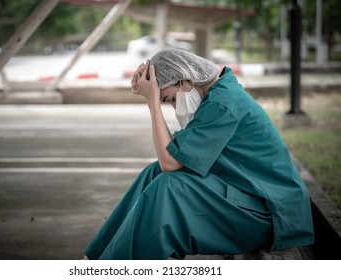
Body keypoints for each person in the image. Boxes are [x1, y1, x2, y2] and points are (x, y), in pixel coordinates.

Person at [84, 49, 314, 260]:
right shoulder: (216, 97)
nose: (174, 107)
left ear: (185, 80)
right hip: (248, 197)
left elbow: (170, 163)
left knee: (168, 186)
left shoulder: (223, 104)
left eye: (170, 99)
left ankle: (117, 267)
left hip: (269, 216)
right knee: (153, 174)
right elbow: (170, 158)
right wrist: (153, 96)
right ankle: (96, 259)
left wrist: (152, 103)